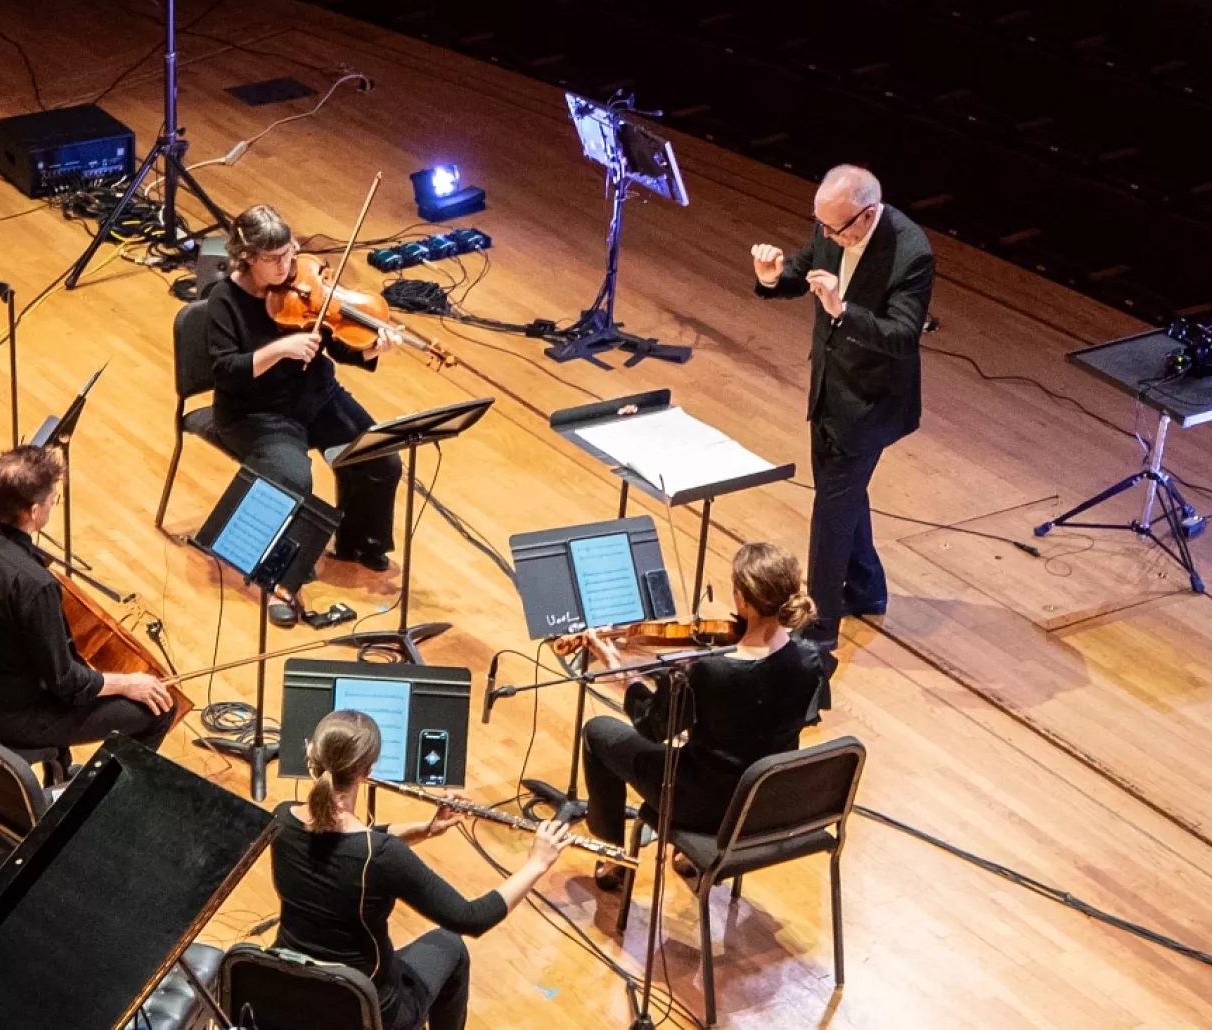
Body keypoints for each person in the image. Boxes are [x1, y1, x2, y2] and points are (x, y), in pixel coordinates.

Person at [272, 710, 568, 1030]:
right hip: (365, 1011)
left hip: (288, 992)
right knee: (450, 945)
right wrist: (537, 863)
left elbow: (348, 843)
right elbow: (470, 918)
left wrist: (426, 828)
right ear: (368, 772)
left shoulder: (281, 819)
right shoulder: (382, 856)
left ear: (311, 754)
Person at [574, 542, 836, 886]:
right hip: (765, 803)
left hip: (701, 805)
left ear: (742, 599)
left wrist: (620, 672)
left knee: (598, 732)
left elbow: (655, 727)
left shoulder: (711, 671)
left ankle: (613, 861)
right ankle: (686, 858)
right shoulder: (810, 660)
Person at [750, 165, 931, 645]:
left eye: (835, 228)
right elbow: (803, 270)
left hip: (871, 401)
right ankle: (867, 589)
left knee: (831, 509)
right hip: (830, 385)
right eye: (822, 225)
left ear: (867, 215)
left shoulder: (911, 254)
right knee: (844, 494)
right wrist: (773, 278)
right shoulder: (832, 221)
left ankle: (819, 626)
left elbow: (903, 336)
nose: (826, 234)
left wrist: (843, 311)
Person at [193, 205, 400, 614]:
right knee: (292, 478)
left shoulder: (304, 287)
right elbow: (226, 371)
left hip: (316, 397)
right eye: (273, 260)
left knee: (379, 455)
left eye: (289, 253)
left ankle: (361, 542)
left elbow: (336, 340)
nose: (286, 266)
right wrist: (279, 349)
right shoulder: (223, 301)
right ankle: (282, 577)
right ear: (247, 256)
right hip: (257, 413)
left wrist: (372, 347)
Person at [0, 446, 176, 752]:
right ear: (35, 512)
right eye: (53, 500)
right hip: (9, 718)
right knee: (158, 710)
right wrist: (127, 683)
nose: (53, 504)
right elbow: (67, 684)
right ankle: (96, 794)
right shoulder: (34, 585)